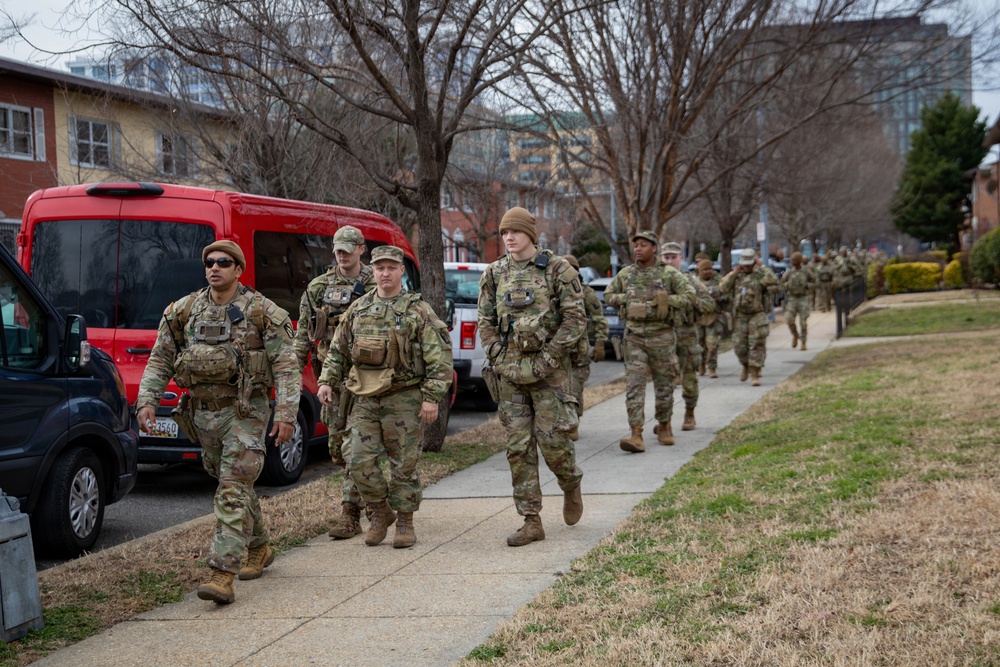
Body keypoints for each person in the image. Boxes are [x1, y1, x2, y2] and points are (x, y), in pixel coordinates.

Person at [137, 240, 300, 605]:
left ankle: (221, 573)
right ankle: (259, 547)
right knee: (233, 482)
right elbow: (161, 357)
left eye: (223, 262)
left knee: (231, 486)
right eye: (209, 262)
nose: (214, 267)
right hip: (202, 414)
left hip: (246, 412)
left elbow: (287, 367)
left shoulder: (262, 311)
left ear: (238, 269)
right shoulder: (186, 309)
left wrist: (286, 414)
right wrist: (147, 400)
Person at [317, 245, 452, 549]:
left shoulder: (417, 310)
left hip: (404, 398)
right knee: (356, 459)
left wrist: (431, 397)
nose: (385, 273)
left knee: (403, 464)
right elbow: (338, 350)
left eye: (392, 267)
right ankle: (379, 511)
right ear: (373, 270)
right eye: (380, 268)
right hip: (364, 397)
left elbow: (440, 358)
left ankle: (405, 520)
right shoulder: (359, 308)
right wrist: (327, 381)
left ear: (402, 271)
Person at [478, 207, 586, 547]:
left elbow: (575, 319)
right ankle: (531, 520)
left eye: (516, 231)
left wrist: (551, 357)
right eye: (505, 232)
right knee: (518, 448)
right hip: (510, 374)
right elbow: (485, 321)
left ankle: (570, 483)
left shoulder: (557, 269)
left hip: (549, 373)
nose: (509, 237)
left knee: (554, 443)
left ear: (530, 234)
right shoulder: (494, 273)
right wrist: (496, 355)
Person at [293, 225, 376, 540]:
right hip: (332, 378)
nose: (342, 256)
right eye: (337, 250)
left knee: (355, 448)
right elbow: (304, 333)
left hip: (370, 379)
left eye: (347, 249)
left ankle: (351, 515)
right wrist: (290, 373)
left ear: (361, 249)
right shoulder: (318, 287)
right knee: (339, 450)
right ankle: (376, 499)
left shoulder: (376, 283)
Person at [603, 231, 694, 452]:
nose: (638, 249)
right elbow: (608, 295)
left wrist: (665, 299)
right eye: (636, 246)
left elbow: (690, 296)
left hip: (662, 337)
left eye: (643, 245)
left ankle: (664, 425)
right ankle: (636, 433)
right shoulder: (626, 274)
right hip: (634, 338)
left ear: (654, 248)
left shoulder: (669, 274)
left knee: (664, 385)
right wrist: (628, 298)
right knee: (635, 385)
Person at [660, 242, 714, 432]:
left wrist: (689, 301)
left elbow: (709, 304)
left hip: (687, 335)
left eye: (673, 257)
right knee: (664, 383)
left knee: (689, 379)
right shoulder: (657, 280)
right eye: (666, 257)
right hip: (663, 336)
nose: (669, 261)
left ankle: (689, 413)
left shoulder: (690, 281)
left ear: (680, 259)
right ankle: (664, 422)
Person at [562, 254, 609, 441]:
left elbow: (599, 319)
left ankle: (573, 424)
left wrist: (599, 344)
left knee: (574, 388)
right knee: (558, 390)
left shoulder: (586, 292)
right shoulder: (553, 291)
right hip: (557, 350)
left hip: (579, 351)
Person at [719, 248, 779, 387]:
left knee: (756, 344)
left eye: (749, 264)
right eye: (744, 264)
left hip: (756, 315)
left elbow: (773, 280)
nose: (746, 267)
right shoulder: (737, 275)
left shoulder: (759, 275)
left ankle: (755, 373)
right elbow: (722, 288)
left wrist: (761, 266)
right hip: (740, 316)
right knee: (739, 347)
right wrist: (733, 273)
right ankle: (745, 365)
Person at [694, 259, 726, 378]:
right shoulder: (695, 281)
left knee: (712, 344)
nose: (708, 272)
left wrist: (720, 298)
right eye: (705, 269)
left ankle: (712, 367)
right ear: (700, 270)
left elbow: (726, 293)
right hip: (698, 317)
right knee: (699, 343)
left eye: (709, 269)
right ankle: (701, 363)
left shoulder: (718, 280)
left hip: (713, 317)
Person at [781, 251, 815, 351]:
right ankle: (795, 335)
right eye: (792, 259)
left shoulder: (806, 271)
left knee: (803, 322)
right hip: (792, 299)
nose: (792, 261)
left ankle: (803, 341)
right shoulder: (789, 272)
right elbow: (781, 283)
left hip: (803, 298)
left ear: (799, 261)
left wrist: (807, 286)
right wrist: (787, 285)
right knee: (789, 319)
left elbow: (814, 281)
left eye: (794, 260)